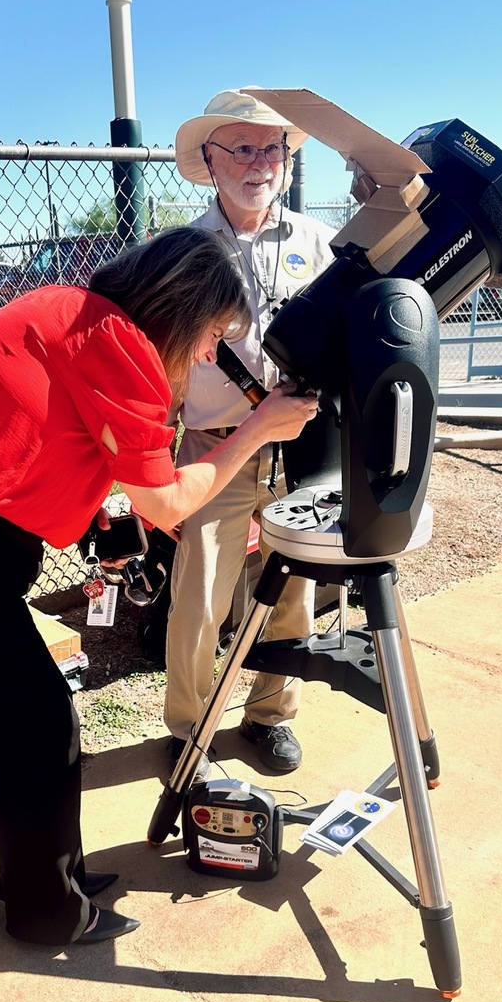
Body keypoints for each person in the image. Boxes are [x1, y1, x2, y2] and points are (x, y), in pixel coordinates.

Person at [0, 227, 319, 949]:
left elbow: (54, 435)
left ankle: (45, 876)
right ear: (180, 307)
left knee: (26, 725)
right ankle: (46, 912)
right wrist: (256, 428)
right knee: (36, 726)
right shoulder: (120, 344)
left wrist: (105, 515)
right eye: (208, 335)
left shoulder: (70, 310)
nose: (203, 355)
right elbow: (167, 502)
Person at [164, 89, 338, 777]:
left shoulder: (319, 244)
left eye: (273, 148)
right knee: (199, 596)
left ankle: (271, 713)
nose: (260, 161)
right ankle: (189, 727)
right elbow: (162, 363)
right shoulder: (183, 252)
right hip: (215, 446)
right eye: (242, 147)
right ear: (210, 160)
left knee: (292, 586)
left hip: (296, 443)